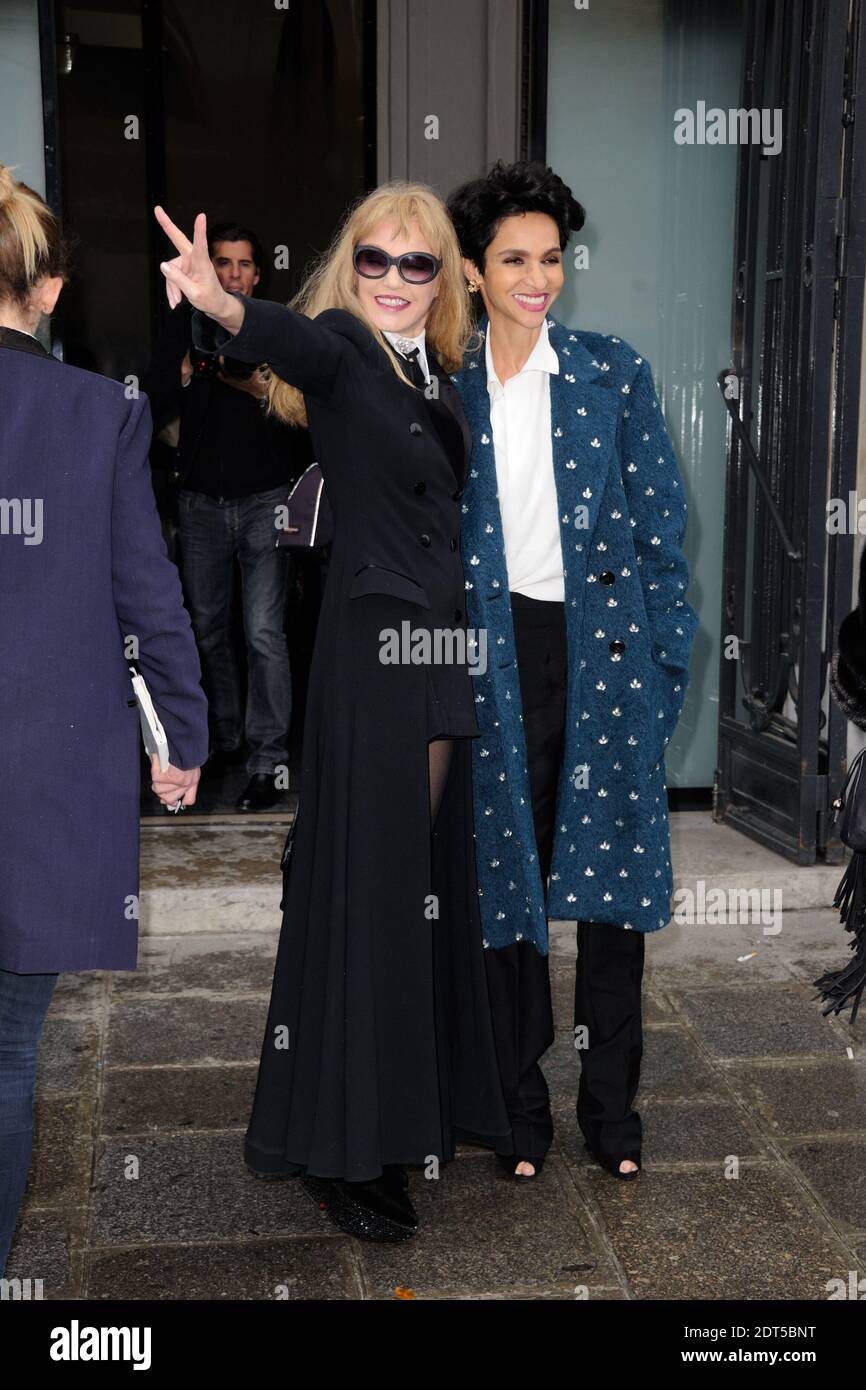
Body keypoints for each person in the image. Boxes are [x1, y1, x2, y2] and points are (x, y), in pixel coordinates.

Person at [153, 183, 512, 1242]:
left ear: (443, 277)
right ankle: (346, 1149)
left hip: (437, 647)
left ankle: (405, 1114)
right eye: (374, 260)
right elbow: (284, 342)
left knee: (421, 887)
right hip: (377, 652)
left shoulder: (431, 369)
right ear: (345, 269)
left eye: (417, 264)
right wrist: (219, 304)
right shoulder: (345, 349)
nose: (394, 281)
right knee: (373, 895)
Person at [447, 160, 698, 1181]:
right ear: (471, 271)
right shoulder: (444, 385)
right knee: (499, 886)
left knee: (607, 896)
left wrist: (661, 673)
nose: (536, 276)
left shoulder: (610, 371)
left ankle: (612, 1115)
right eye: (513, 258)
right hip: (491, 656)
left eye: (550, 257)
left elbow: (661, 538)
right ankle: (517, 1109)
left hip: (597, 656)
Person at [0, 164, 209, 1275]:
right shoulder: (98, 412)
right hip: (42, 774)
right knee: (5, 1053)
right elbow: (145, 586)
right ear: (50, 288)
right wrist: (178, 732)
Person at [142, 222, 314, 811]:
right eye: (224, 263)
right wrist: (190, 368)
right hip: (199, 505)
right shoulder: (185, 322)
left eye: (244, 264)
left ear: (258, 274)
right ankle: (219, 743)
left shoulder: (273, 328)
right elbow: (147, 393)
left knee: (265, 634)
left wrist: (249, 381)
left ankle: (268, 761)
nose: (234, 273)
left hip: (266, 500)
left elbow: (301, 414)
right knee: (205, 631)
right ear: (208, 267)